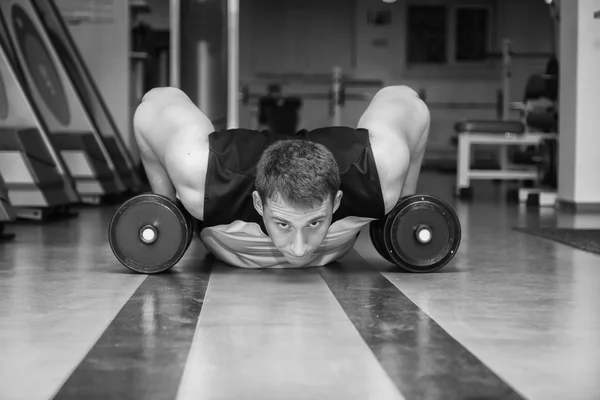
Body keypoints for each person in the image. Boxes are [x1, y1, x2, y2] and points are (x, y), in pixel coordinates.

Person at [133, 85, 430, 268]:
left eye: (315, 222)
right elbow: (155, 103)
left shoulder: (375, 176)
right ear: (259, 205)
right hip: (234, 161)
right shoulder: (204, 177)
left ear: (337, 202)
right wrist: (165, 203)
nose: (299, 248)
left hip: (336, 156)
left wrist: (405, 203)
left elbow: (407, 99)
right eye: (283, 223)